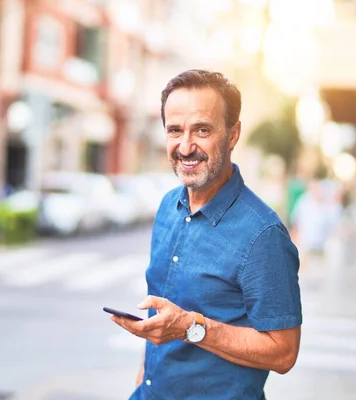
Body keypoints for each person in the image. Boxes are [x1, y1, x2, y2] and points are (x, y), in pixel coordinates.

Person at [110, 70, 302, 399]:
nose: (185, 147)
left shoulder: (263, 234)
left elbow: (283, 353)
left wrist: (189, 327)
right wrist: (142, 383)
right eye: (175, 130)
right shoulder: (168, 206)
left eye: (202, 130)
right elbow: (161, 318)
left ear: (232, 134)